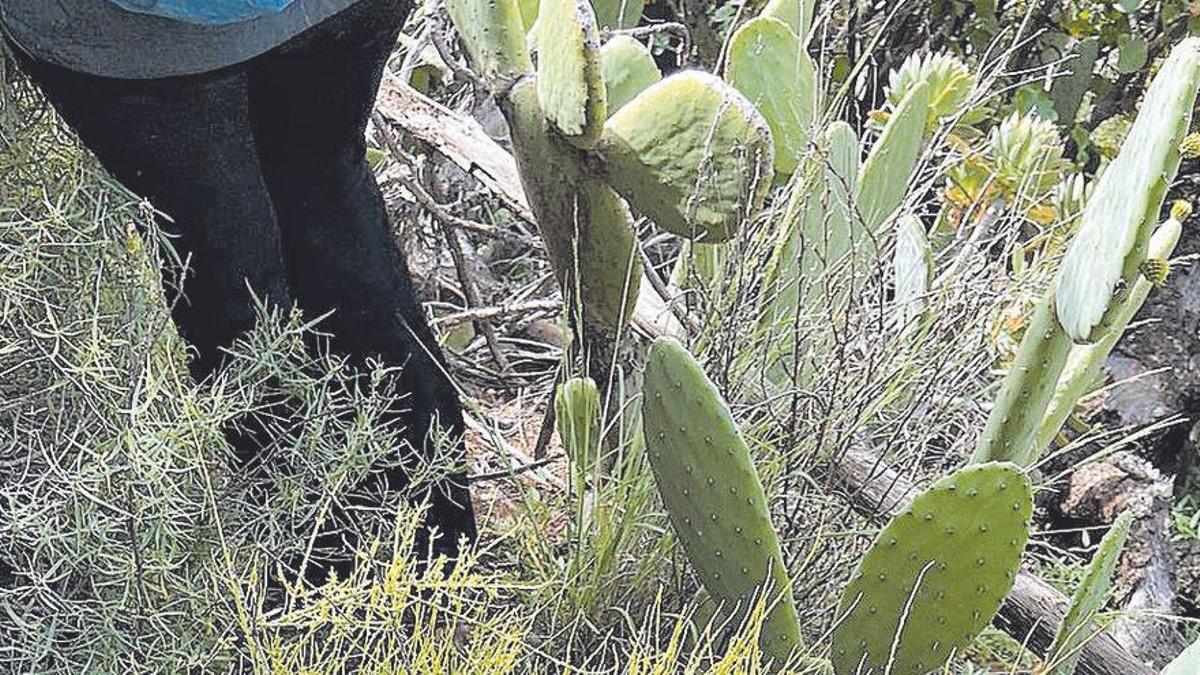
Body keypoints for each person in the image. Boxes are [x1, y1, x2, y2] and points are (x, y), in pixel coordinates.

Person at [0, 0, 477, 579]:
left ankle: (330, 598)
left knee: (227, 282)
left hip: (134, 37)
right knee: (328, 196)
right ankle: (436, 567)